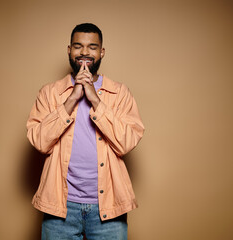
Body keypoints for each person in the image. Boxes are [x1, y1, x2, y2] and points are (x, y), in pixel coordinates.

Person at [26, 23, 144, 240]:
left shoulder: (120, 93)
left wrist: (95, 100)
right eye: (78, 46)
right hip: (60, 207)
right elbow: (39, 141)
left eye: (92, 47)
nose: (85, 52)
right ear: (69, 50)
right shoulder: (49, 93)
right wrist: (71, 99)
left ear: (101, 52)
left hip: (108, 206)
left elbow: (126, 142)